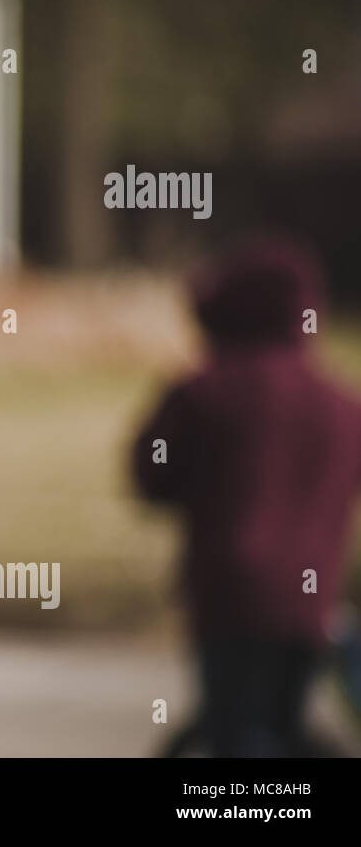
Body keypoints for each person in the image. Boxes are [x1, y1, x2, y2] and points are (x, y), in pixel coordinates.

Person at [132, 239, 361, 757]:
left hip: (227, 598)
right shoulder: (342, 405)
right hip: (311, 602)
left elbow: (150, 477)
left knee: (235, 730)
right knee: (277, 721)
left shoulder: (202, 394)